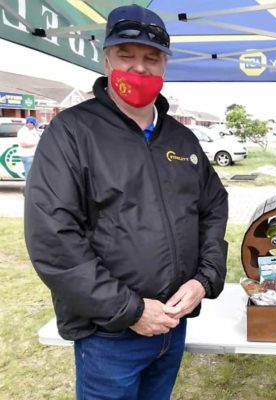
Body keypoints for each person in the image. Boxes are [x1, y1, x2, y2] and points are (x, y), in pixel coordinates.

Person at [24, 4, 228, 399]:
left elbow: (213, 207)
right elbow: (53, 239)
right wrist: (131, 311)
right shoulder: (71, 132)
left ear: (165, 65)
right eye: (127, 56)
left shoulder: (181, 140)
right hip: (110, 335)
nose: (140, 68)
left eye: (152, 58)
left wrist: (204, 279)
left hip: (173, 326)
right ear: (106, 59)